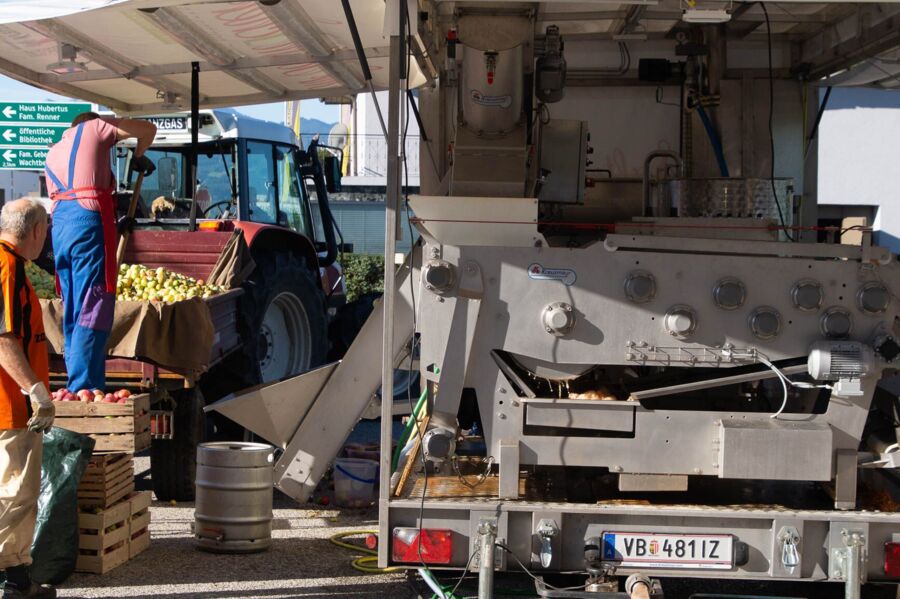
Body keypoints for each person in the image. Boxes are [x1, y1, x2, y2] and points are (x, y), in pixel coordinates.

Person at [44, 113, 156, 393]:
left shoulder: (54, 151)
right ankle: (85, 387)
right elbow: (147, 129)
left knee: (73, 307)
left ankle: (76, 383)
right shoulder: (94, 127)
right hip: (87, 223)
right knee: (92, 305)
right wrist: (138, 156)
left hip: (61, 226)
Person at [0, 199, 55, 599]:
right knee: (15, 495)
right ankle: (13, 582)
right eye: (46, 232)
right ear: (36, 231)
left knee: (15, 495)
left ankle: (16, 579)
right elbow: (4, 340)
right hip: (9, 407)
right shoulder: (8, 268)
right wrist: (36, 391)